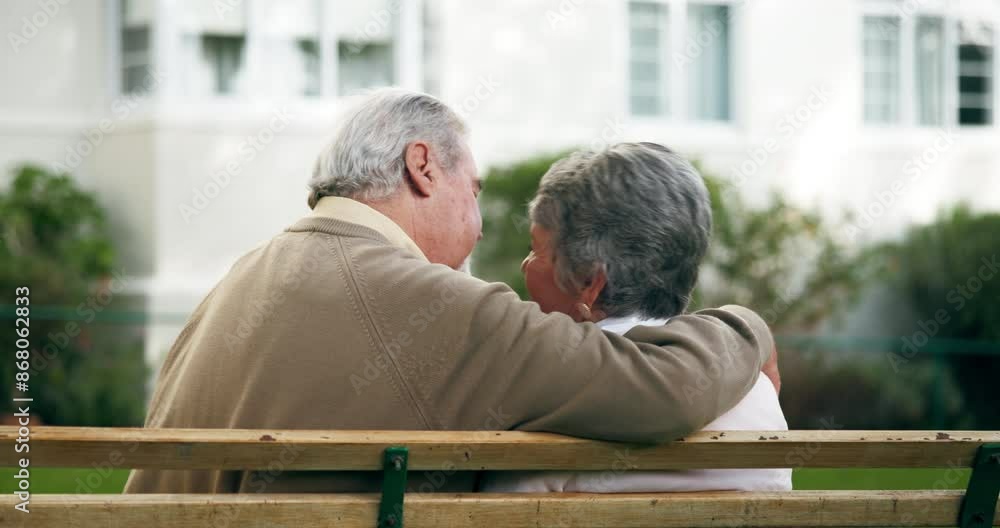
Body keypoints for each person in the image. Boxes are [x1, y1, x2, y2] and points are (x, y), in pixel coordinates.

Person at [124, 90, 776, 494]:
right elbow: (663, 392)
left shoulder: (236, 282)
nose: (482, 222)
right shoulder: (438, 308)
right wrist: (748, 327)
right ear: (422, 167)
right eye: (476, 190)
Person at [480, 143, 791, 493]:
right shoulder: (756, 387)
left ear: (589, 283)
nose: (526, 265)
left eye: (536, 249)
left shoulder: (558, 391)